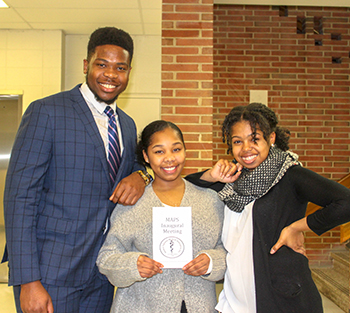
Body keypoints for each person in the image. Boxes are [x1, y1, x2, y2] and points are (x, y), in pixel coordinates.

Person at [3, 27, 152, 313]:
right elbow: (19, 199)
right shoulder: (47, 112)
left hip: (101, 275)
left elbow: (135, 166)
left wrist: (142, 175)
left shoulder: (127, 123)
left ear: (129, 71)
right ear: (86, 65)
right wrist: (28, 280)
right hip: (50, 273)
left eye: (120, 67)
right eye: (102, 64)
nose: (111, 75)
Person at [185, 103, 350, 313]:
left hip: (281, 300)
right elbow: (187, 185)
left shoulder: (290, 175)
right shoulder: (233, 180)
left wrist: (296, 228)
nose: (246, 148)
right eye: (237, 141)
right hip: (235, 299)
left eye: (255, 139)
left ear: (271, 139)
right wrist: (212, 175)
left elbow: (346, 202)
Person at [97, 120, 226, 313]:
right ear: (146, 156)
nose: (169, 158)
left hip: (199, 305)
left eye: (176, 149)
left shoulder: (210, 200)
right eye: (159, 151)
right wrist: (133, 265)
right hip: (140, 306)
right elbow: (106, 258)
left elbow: (228, 250)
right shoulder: (133, 202)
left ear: (185, 151)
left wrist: (212, 261)